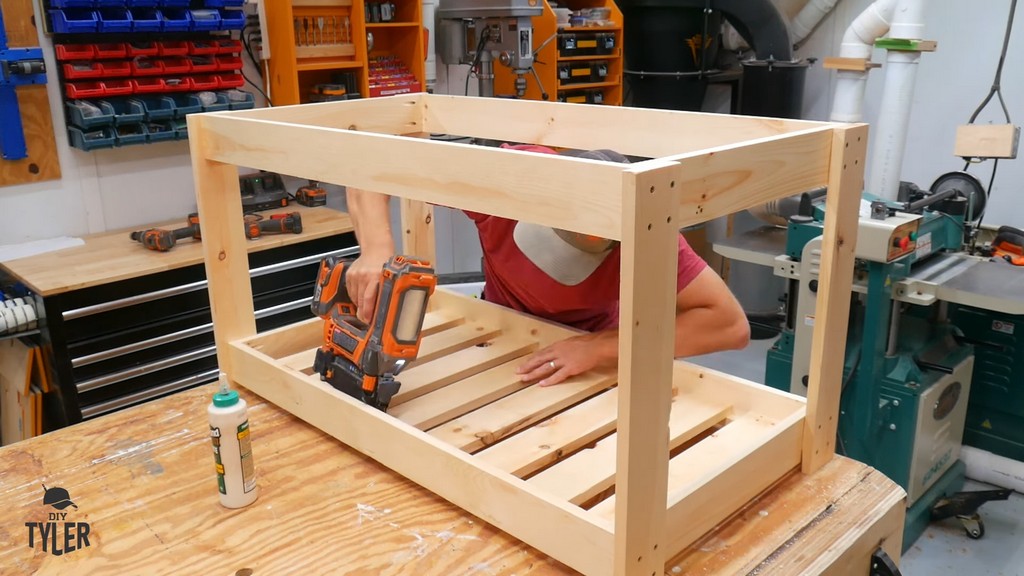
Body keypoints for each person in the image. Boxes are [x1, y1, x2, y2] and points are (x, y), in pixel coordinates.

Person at [343, 144, 750, 387]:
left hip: (585, 348)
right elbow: (368, 162)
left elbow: (730, 325)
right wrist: (377, 248)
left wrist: (599, 348)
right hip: (498, 326)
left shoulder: (646, 232)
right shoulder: (505, 178)